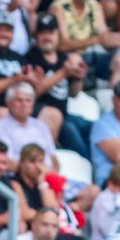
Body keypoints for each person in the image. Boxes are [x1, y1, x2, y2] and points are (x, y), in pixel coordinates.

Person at [25, 13, 90, 158]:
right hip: (43, 116)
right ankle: (89, 165)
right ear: (36, 36)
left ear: (57, 35)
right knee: (71, 131)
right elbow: (33, 93)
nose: (47, 37)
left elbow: (73, 93)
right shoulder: (31, 57)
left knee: (93, 127)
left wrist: (79, 78)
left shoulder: (63, 57)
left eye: (50, 32)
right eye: (42, 33)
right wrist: (63, 73)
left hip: (65, 113)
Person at [52, 0, 120, 84]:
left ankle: (115, 95)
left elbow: (103, 35)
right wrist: (96, 40)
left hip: (90, 54)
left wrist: (115, 41)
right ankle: (76, 93)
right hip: (68, 57)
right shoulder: (59, 7)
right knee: (76, 60)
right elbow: (62, 45)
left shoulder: (94, 4)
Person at [0, 80, 59, 162]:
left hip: (45, 169)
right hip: (18, 170)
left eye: (28, 100)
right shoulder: (1, 126)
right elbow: (5, 161)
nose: (24, 105)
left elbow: (53, 157)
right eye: (19, 100)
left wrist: (50, 169)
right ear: (8, 103)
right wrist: (33, 168)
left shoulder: (41, 126)